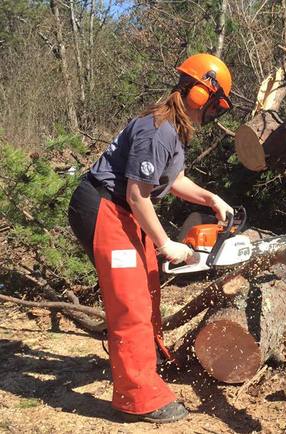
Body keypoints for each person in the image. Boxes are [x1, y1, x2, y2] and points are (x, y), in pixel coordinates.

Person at [68, 53, 234, 424]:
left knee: (147, 285)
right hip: (103, 208)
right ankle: (137, 396)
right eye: (215, 104)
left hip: (124, 210)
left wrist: (210, 197)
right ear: (200, 95)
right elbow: (137, 195)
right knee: (129, 300)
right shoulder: (158, 129)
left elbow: (171, 180)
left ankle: (148, 358)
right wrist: (165, 243)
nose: (213, 113)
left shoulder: (173, 129)